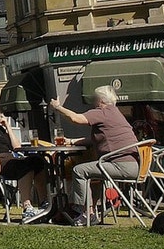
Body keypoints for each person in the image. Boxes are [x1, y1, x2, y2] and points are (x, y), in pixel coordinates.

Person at [50, 86, 140, 226]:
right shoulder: (116, 113)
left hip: (120, 165)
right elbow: (97, 139)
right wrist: (72, 141)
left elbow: (75, 118)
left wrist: (58, 107)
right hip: (133, 165)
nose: (93, 102)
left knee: (79, 170)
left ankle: (85, 212)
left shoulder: (102, 112)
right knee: (94, 172)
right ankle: (91, 212)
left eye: (94, 99)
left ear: (101, 101)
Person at [0, 97, 50, 223]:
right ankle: (27, 208)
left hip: (9, 159)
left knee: (37, 161)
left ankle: (44, 203)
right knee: (26, 165)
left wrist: (8, 127)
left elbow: (17, 147)